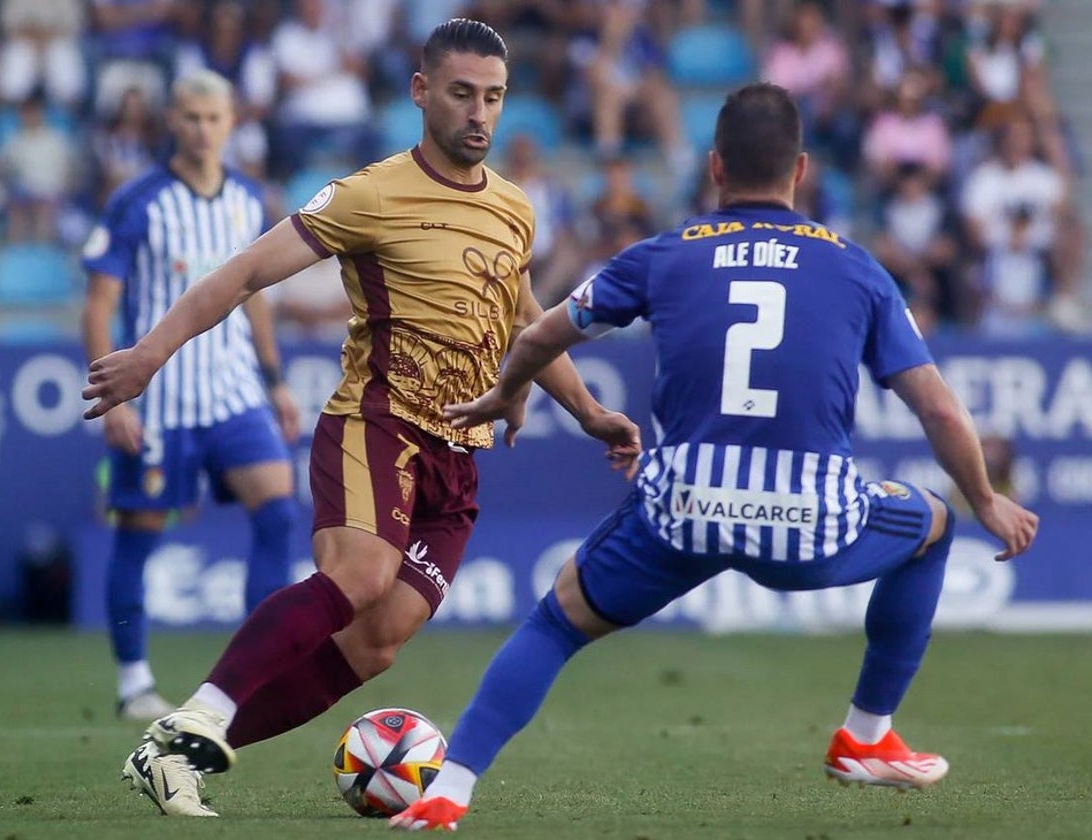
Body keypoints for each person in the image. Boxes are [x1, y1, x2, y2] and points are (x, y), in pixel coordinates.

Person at [389, 82, 1040, 832]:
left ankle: (450, 789)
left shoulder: (664, 255)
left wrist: (509, 394)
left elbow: (538, 336)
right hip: (808, 525)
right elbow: (937, 407)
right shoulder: (857, 268)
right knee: (930, 524)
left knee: (556, 624)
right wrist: (986, 501)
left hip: (682, 513)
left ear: (715, 168)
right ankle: (865, 737)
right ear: (800, 171)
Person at [81, 19, 639, 818]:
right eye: (461, 94)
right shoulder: (370, 193)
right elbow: (243, 272)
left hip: (459, 455)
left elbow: (523, 316)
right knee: (359, 577)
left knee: (378, 642)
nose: (479, 114)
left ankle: (171, 756)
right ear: (420, 92)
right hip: (377, 423)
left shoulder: (514, 209)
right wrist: (148, 354)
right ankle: (200, 711)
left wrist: (585, 410)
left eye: (493, 97)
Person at [80, 68, 301, 724]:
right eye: (191, 118)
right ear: (171, 122)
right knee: (139, 537)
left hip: (234, 392)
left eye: (215, 118)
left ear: (233, 121)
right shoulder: (137, 201)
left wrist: (275, 378)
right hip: (160, 401)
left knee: (280, 513)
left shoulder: (249, 201)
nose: (204, 130)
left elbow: (252, 292)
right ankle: (133, 681)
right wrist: (114, 399)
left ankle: (249, 676)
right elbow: (99, 304)